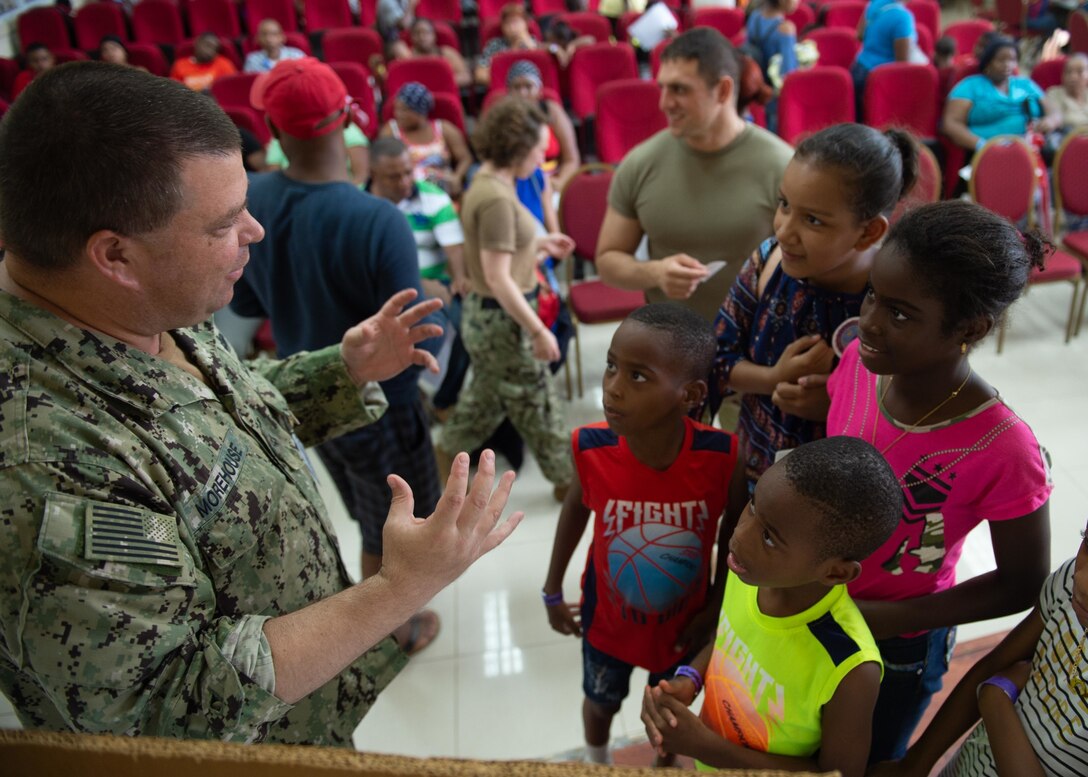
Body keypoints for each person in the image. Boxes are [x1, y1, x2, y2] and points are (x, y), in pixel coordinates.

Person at [0, 61, 521, 743]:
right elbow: (171, 709)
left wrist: (342, 368)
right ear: (115, 256)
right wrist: (398, 588)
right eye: (223, 222)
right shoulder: (41, 465)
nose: (255, 230)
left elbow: (213, 414)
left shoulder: (147, 299)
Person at [232, 58, 448, 656]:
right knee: (400, 525)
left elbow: (248, 297)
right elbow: (413, 340)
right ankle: (390, 630)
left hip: (308, 396)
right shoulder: (379, 221)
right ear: (347, 120)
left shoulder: (255, 200)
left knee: (363, 506)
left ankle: (379, 608)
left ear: (273, 130)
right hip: (384, 403)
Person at [824, 200, 1053, 761]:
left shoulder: (1002, 446)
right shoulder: (857, 360)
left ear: (968, 328)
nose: (871, 321)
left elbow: (1024, 583)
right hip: (818, 609)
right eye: (874, 294)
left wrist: (893, 619)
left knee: (868, 761)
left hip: (898, 647)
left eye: (901, 313)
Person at [542, 303, 739, 766]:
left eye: (638, 376)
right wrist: (553, 589)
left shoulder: (723, 457)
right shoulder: (590, 447)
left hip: (682, 623)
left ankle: (665, 765)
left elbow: (732, 537)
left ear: (689, 394)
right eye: (612, 366)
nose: (612, 388)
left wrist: (714, 607)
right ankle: (597, 759)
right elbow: (574, 509)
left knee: (668, 713)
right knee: (600, 701)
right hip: (607, 620)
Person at [640, 436, 903, 777]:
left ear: (835, 572)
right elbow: (729, 637)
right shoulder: (749, 570)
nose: (740, 535)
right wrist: (691, 679)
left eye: (768, 537)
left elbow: (838, 775)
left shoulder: (850, 668)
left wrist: (707, 748)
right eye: (752, 504)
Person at [708, 123, 918, 502]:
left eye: (814, 220)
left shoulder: (898, 303)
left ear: (869, 233)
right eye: (784, 204)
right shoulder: (768, 261)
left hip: (840, 499)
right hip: (756, 468)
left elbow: (919, 414)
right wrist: (773, 377)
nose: (785, 230)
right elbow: (716, 360)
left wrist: (838, 406)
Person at [595, 28, 793, 322]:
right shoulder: (641, 163)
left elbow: (817, 267)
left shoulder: (783, 166)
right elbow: (608, 261)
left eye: (679, 89)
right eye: (662, 87)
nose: (664, 103)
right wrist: (655, 273)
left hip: (757, 347)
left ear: (723, 90)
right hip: (670, 345)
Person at [435, 97, 576, 501]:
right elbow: (497, 277)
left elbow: (501, 249)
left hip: (492, 316)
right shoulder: (496, 197)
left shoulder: (491, 180)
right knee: (539, 403)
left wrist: (541, 242)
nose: (543, 156)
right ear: (518, 148)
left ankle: (444, 452)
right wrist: (537, 331)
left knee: (487, 398)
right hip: (504, 319)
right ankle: (569, 484)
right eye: (539, 149)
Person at [870, 519, 1088, 777]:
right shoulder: (1068, 584)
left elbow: (993, 681)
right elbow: (995, 664)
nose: (1082, 579)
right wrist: (915, 764)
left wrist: (996, 695)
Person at [367, 136, 470, 416]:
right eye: (393, 176)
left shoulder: (432, 197)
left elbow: (454, 248)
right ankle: (406, 396)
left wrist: (458, 277)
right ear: (373, 173)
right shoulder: (360, 207)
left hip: (436, 282)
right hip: (381, 290)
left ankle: (443, 400)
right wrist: (419, 283)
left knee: (467, 328)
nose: (403, 182)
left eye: (407, 173)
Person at [942, 36, 1060, 153]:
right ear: (988, 63)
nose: (1007, 64)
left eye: (1012, 60)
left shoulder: (1025, 84)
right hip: (985, 151)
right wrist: (981, 145)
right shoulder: (970, 86)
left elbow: (1054, 112)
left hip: (1032, 148)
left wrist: (1050, 121)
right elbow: (951, 124)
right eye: (1001, 60)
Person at [380, 81, 472, 198]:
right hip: (406, 190)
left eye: (404, 110)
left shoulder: (443, 128)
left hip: (442, 190)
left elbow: (465, 158)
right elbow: (382, 162)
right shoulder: (391, 130)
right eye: (396, 109)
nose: (398, 114)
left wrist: (457, 176)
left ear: (420, 111)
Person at [506, 59, 580, 192]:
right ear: (509, 92)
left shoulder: (552, 111)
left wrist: (559, 183)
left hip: (553, 182)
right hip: (515, 187)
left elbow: (571, 159)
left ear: (539, 91)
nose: (522, 93)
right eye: (517, 87)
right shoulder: (502, 119)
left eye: (528, 86)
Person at [851, 0, 918, 107]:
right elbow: (902, 63)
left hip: (859, 69)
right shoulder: (903, 18)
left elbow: (859, 35)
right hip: (881, 78)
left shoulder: (874, 3)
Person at [475, 3, 539, 87]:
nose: (512, 27)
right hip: (503, 91)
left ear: (526, 24)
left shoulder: (534, 43)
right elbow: (480, 74)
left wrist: (528, 43)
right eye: (508, 23)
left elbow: (542, 71)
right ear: (502, 27)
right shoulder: (494, 45)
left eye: (516, 22)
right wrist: (504, 83)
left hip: (530, 88)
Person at [405, 17, 471, 88]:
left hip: (445, 93)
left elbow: (466, 77)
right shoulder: (407, 58)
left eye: (426, 32)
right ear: (411, 37)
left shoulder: (447, 53)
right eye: (417, 33)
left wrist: (439, 82)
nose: (422, 37)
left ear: (434, 35)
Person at [745, 0, 800, 81]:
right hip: (772, 88)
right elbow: (789, 73)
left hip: (753, 82)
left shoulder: (754, 17)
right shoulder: (786, 29)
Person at [170, 31, 237, 92]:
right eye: (207, 45)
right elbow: (174, 91)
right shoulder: (180, 65)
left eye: (214, 48)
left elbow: (232, 89)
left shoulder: (224, 64)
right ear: (197, 43)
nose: (210, 51)